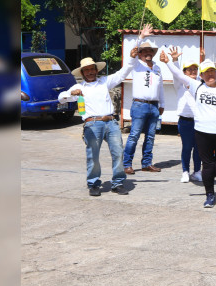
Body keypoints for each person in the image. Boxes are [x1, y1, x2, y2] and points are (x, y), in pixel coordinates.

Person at [57, 25, 148, 196]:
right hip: (92, 125)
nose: (90, 72)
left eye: (93, 70)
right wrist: (71, 93)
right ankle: (93, 184)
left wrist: (139, 41)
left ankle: (118, 183)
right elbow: (61, 97)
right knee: (93, 156)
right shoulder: (79, 87)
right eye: (87, 70)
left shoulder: (105, 81)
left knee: (118, 153)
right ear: (83, 73)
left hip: (111, 123)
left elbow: (124, 72)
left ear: (96, 71)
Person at [161, 47, 216, 209]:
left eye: (212, 72)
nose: (210, 75)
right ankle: (210, 195)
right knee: (207, 166)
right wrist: (169, 62)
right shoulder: (197, 86)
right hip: (203, 132)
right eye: (206, 72)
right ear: (201, 75)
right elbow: (180, 75)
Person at [123, 30, 165, 175]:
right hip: (140, 105)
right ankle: (127, 164)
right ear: (140, 54)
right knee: (134, 135)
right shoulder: (136, 64)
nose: (148, 53)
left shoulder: (158, 68)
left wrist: (162, 104)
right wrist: (141, 37)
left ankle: (147, 163)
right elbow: (133, 50)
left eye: (150, 51)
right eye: (144, 51)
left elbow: (160, 88)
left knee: (151, 136)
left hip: (154, 105)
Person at [171, 51, 204, 183]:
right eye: (189, 70)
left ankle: (197, 171)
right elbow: (175, 74)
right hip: (185, 121)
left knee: (198, 148)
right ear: (184, 72)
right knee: (186, 147)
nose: (192, 71)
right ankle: (185, 171)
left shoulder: (201, 84)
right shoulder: (180, 84)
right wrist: (174, 61)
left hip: (199, 121)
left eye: (195, 69)